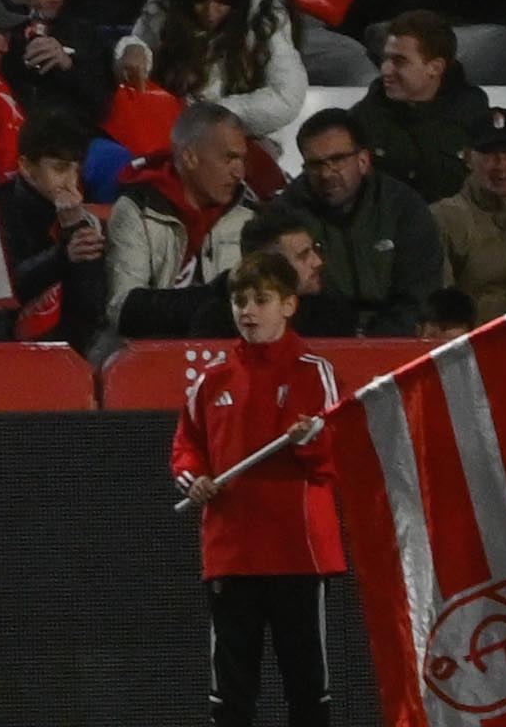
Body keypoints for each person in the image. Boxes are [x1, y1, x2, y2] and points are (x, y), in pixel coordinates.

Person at [173, 246, 338, 727]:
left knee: (307, 684)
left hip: (296, 551)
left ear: (289, 304)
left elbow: (331, 459)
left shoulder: (314, 372)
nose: (248, 310)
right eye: (240, 300)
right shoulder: (210, 380)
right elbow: (187, 448)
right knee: (231, 691)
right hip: (232, 551)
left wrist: (310, 440)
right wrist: (195, 479)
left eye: (262, 299)